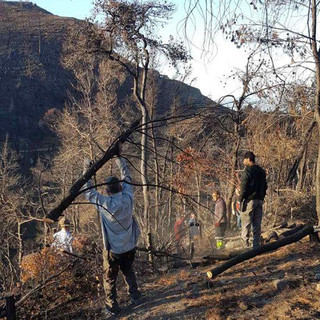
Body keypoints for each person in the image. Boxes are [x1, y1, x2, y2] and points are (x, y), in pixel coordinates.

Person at [83, 145, 141, 317]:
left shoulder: (105, 204)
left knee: (109, 278)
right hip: (130, 245)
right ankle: (135, 296)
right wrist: (119, 159)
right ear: (120, 188)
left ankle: (112, 306)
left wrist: (87, 168)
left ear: (107, 190)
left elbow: (88, 191)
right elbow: (127, 176)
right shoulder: (128, 197)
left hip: (113, 250)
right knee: (128, 270)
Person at [239, 151, 268, 249]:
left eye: (244, 159)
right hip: (259, 201)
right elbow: (265, 186)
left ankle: (245, 247)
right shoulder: (262, 171)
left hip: (249, 201)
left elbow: (244, 187)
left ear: (248, 159)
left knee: (246, 224)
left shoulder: (247, 171)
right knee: (257, 225)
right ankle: (256, 246)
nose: (243, 161)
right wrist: (262, 197)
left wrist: (240, 199)